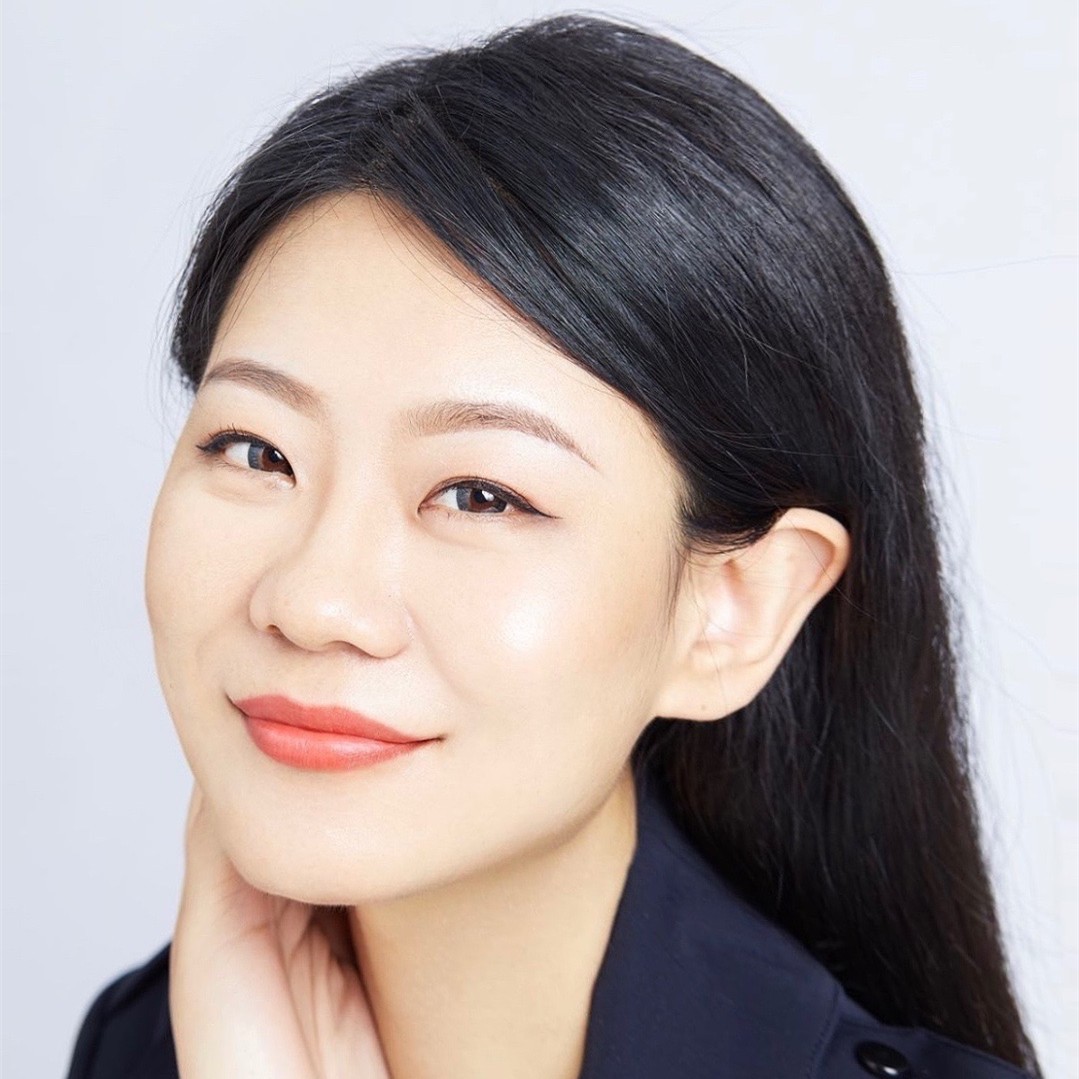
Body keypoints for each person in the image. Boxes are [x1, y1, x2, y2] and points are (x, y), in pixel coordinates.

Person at [64, 14, 1043, 1079]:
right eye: (257, 450)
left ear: (732, 608)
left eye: (480, 495)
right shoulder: (151, 1044)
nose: (312, 600)